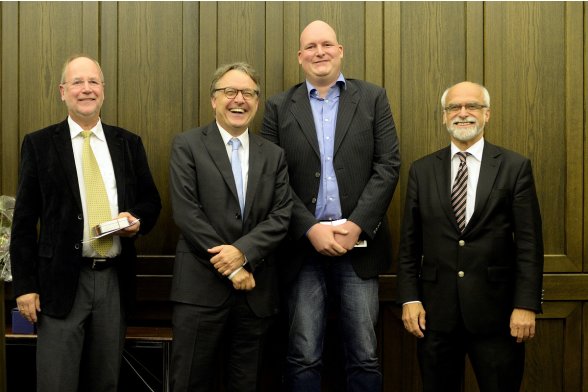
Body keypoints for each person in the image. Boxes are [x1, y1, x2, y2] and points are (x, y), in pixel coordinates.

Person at [262, 20, 400, 391]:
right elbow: (271, 178)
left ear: (340, 51)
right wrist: (309, 228)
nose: (319, 51)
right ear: (300, 57)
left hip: (360, 246)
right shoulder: (277, 106)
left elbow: (388, 165)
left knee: (365, 354)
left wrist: (357, 224)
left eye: (327, 44)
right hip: (302, 249)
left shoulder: (372, 97)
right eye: (311, 46)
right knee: (303, 353)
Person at [10, 54, 162, 392]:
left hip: (113, 282)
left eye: (93, 82)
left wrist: (136, 219)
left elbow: (151, 202)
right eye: (77, 82)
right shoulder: (39, 145)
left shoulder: (128, 143)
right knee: (56, 382)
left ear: (103, 91)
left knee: (104, 382)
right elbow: (23, 223)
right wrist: (24, 285)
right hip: (60, 283)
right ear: (63, 91)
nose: (86, 89)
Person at [397, 81, 544, 391]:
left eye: (472, 106)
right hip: (435, 317)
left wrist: (526, 304)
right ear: (443, 116)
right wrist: (410, 297)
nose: (462, 113)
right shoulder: (422, 170)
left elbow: (529, 244)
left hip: (498, 316)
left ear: (486, 114)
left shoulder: (514, 167)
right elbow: (410, 244)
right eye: (454, 107)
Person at [168, 62, 292, 392]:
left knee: (247, 383)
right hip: (199, 290)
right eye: (230, 92)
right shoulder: (188, 145)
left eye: (248, 93)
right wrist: (233, 268)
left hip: (256, 291)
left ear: (257, 100)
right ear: (214, 99)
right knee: (189, 382)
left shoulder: (274, 155)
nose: (239, 99)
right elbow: (186, 213)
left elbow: (281, 216)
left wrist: (243, 254)